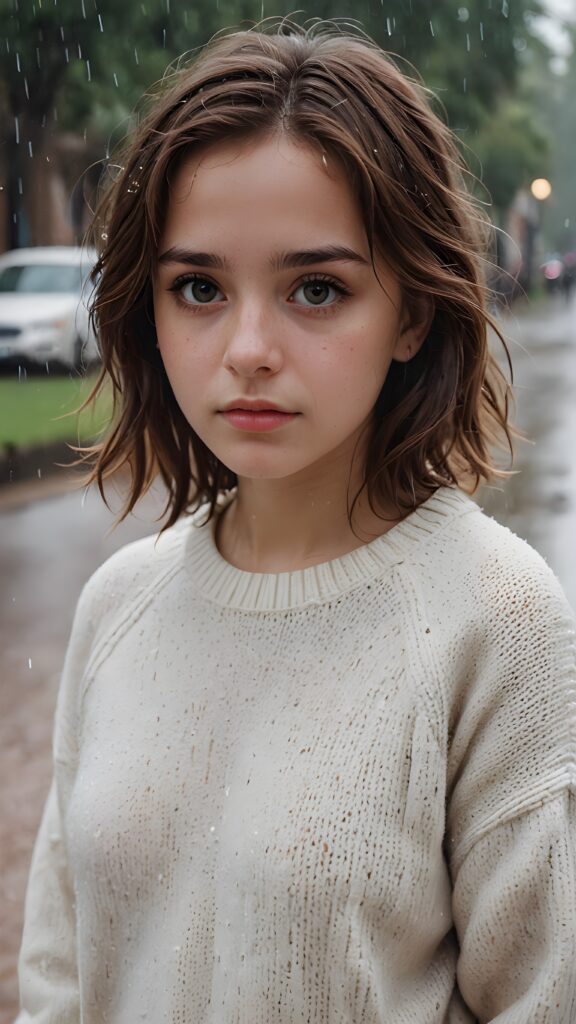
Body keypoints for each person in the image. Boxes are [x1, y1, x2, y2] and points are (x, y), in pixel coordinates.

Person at [16, 23, 576, 1024]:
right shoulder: (119, 607)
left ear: (410, 313)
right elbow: (60, 980)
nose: (248, 348)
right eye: (199, 289)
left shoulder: (496, 616)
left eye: (316, 289)